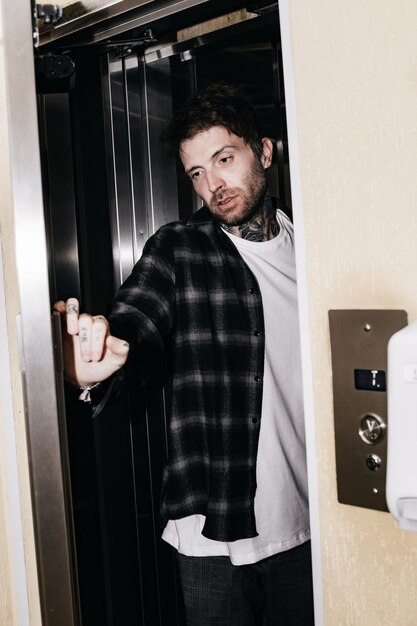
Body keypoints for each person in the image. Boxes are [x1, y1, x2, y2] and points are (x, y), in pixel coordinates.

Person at [55, 83, 314, 625]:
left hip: (307, 525)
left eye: (224, 159)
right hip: (210, 539)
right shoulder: (179, 250)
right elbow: (133, 318)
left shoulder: (319, 250)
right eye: (197, 173)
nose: (213, 185)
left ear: (263, 152)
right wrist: (91, 363)